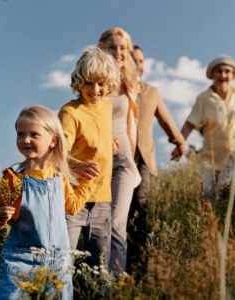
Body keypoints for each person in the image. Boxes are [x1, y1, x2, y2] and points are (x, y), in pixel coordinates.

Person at [0, 105, 83, 300]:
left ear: (53, 140)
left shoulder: (60, 178)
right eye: (20, 134)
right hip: (22, 260)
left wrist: (88, 181)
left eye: (34, 134)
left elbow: (72, 206)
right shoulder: (14, 178)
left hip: (58, 261)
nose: (25, 140)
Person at [172, 56, 235, 207]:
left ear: (233, 75)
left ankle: (225, 225)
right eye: (219, 71)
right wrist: (180, 144)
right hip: (211, 156)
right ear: (213, 75)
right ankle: (210, 227)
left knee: (224, 192)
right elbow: (189, 124)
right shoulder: (203, 99)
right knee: (206, 195)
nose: (223, 76)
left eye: (227, 72)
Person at [58, 46, 121, 267]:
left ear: (110, 84)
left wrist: (108, 141)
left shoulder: (106, 107)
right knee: (63, 261)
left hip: (102, 198)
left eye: (101, 84)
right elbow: (57, 153)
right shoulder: (70, 112)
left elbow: (95, 132)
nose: (95, 90)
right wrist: (76, 165)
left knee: (99, 265)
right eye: (88, 83)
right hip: (73, 199)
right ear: (78, 82)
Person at [127, 45, 186, 273]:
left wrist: (179, 141)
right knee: (119, 213)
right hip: (117, 158)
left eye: (141, 61)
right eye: (134, 60)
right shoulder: (112, 89)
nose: (138, 65)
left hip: (143, 159)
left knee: (141, 208)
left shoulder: (151, 91)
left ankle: (139, 268)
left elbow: (165, 119)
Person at [98, 27, 141, 275]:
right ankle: (95, 279)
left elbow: (131, 126)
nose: (118, 52)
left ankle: (114, 283)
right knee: (97, 225)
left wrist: (132, 159)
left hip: (123, 162)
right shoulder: (93, 79)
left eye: (123, 47)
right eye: (112, 46)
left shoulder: (129, 83)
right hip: (97, 161)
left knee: (116, 224)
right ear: (102, 48)